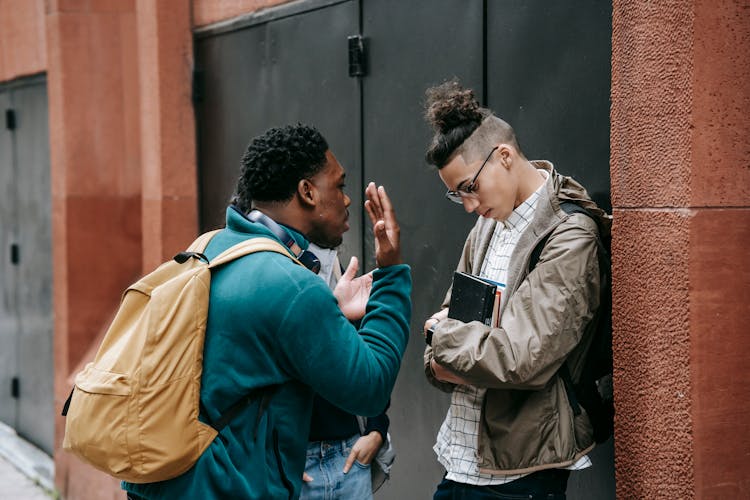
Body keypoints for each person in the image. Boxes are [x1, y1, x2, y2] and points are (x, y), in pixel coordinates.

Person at [122, 124, 411, 499]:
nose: (347, 200)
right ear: (307, 192)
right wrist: (390, 276)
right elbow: (369, 388)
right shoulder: (291, 285)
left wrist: (331, 309)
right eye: (338, 186)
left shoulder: (213, 247)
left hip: (172, 482)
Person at [421, 81, 611, 499]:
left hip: (520, 474)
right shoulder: (488, 225)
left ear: (503, 156)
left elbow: (523, 357)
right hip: (460, 458)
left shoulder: (569, 235)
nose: (468, 205)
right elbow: (448, 341)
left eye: (469, 187)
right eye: (457, 196)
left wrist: (441, 338)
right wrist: (445, 347)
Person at [300, 243, 395, 500]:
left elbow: (369, 357)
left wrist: (376, 429)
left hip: (351, 451)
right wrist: (275, 452)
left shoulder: (336, 270)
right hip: (296, 463)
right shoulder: (272, 272)